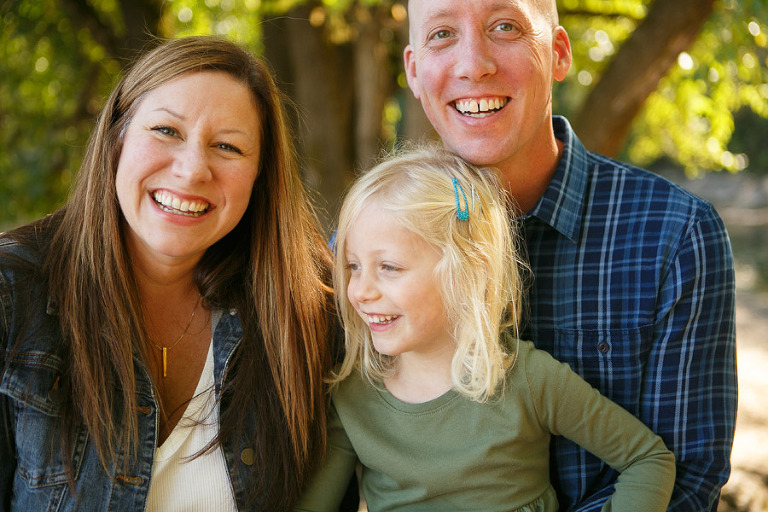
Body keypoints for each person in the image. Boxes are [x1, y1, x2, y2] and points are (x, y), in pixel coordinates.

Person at [401, 1, 737, 511]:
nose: (474, 64)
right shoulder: (365, 249)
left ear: (558, 54)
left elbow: (686, 480)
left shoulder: (675, 237)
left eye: (505, 27)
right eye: (442, 34)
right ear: (413, 71)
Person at [0, 36, 335, 511]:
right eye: (166, 131)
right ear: (117, 137)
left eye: (227, 146)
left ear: (261, 175)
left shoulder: (309, 307)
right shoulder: (12, 292)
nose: (193, 169)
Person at [295, 145, 676, 511]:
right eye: (353, 266)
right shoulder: (351, 395)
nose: (359, 291)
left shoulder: (529, 379)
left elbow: (648, 459)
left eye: (389, 267)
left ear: (466, 272)